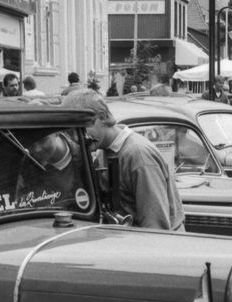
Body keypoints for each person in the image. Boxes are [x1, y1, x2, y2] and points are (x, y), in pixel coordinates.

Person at [62, 90, 185, 231]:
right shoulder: (103, 151)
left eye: (81, 130)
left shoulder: (138, 155)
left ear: (102, 117)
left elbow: (155, 226)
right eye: (71, 133)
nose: (77, 139)